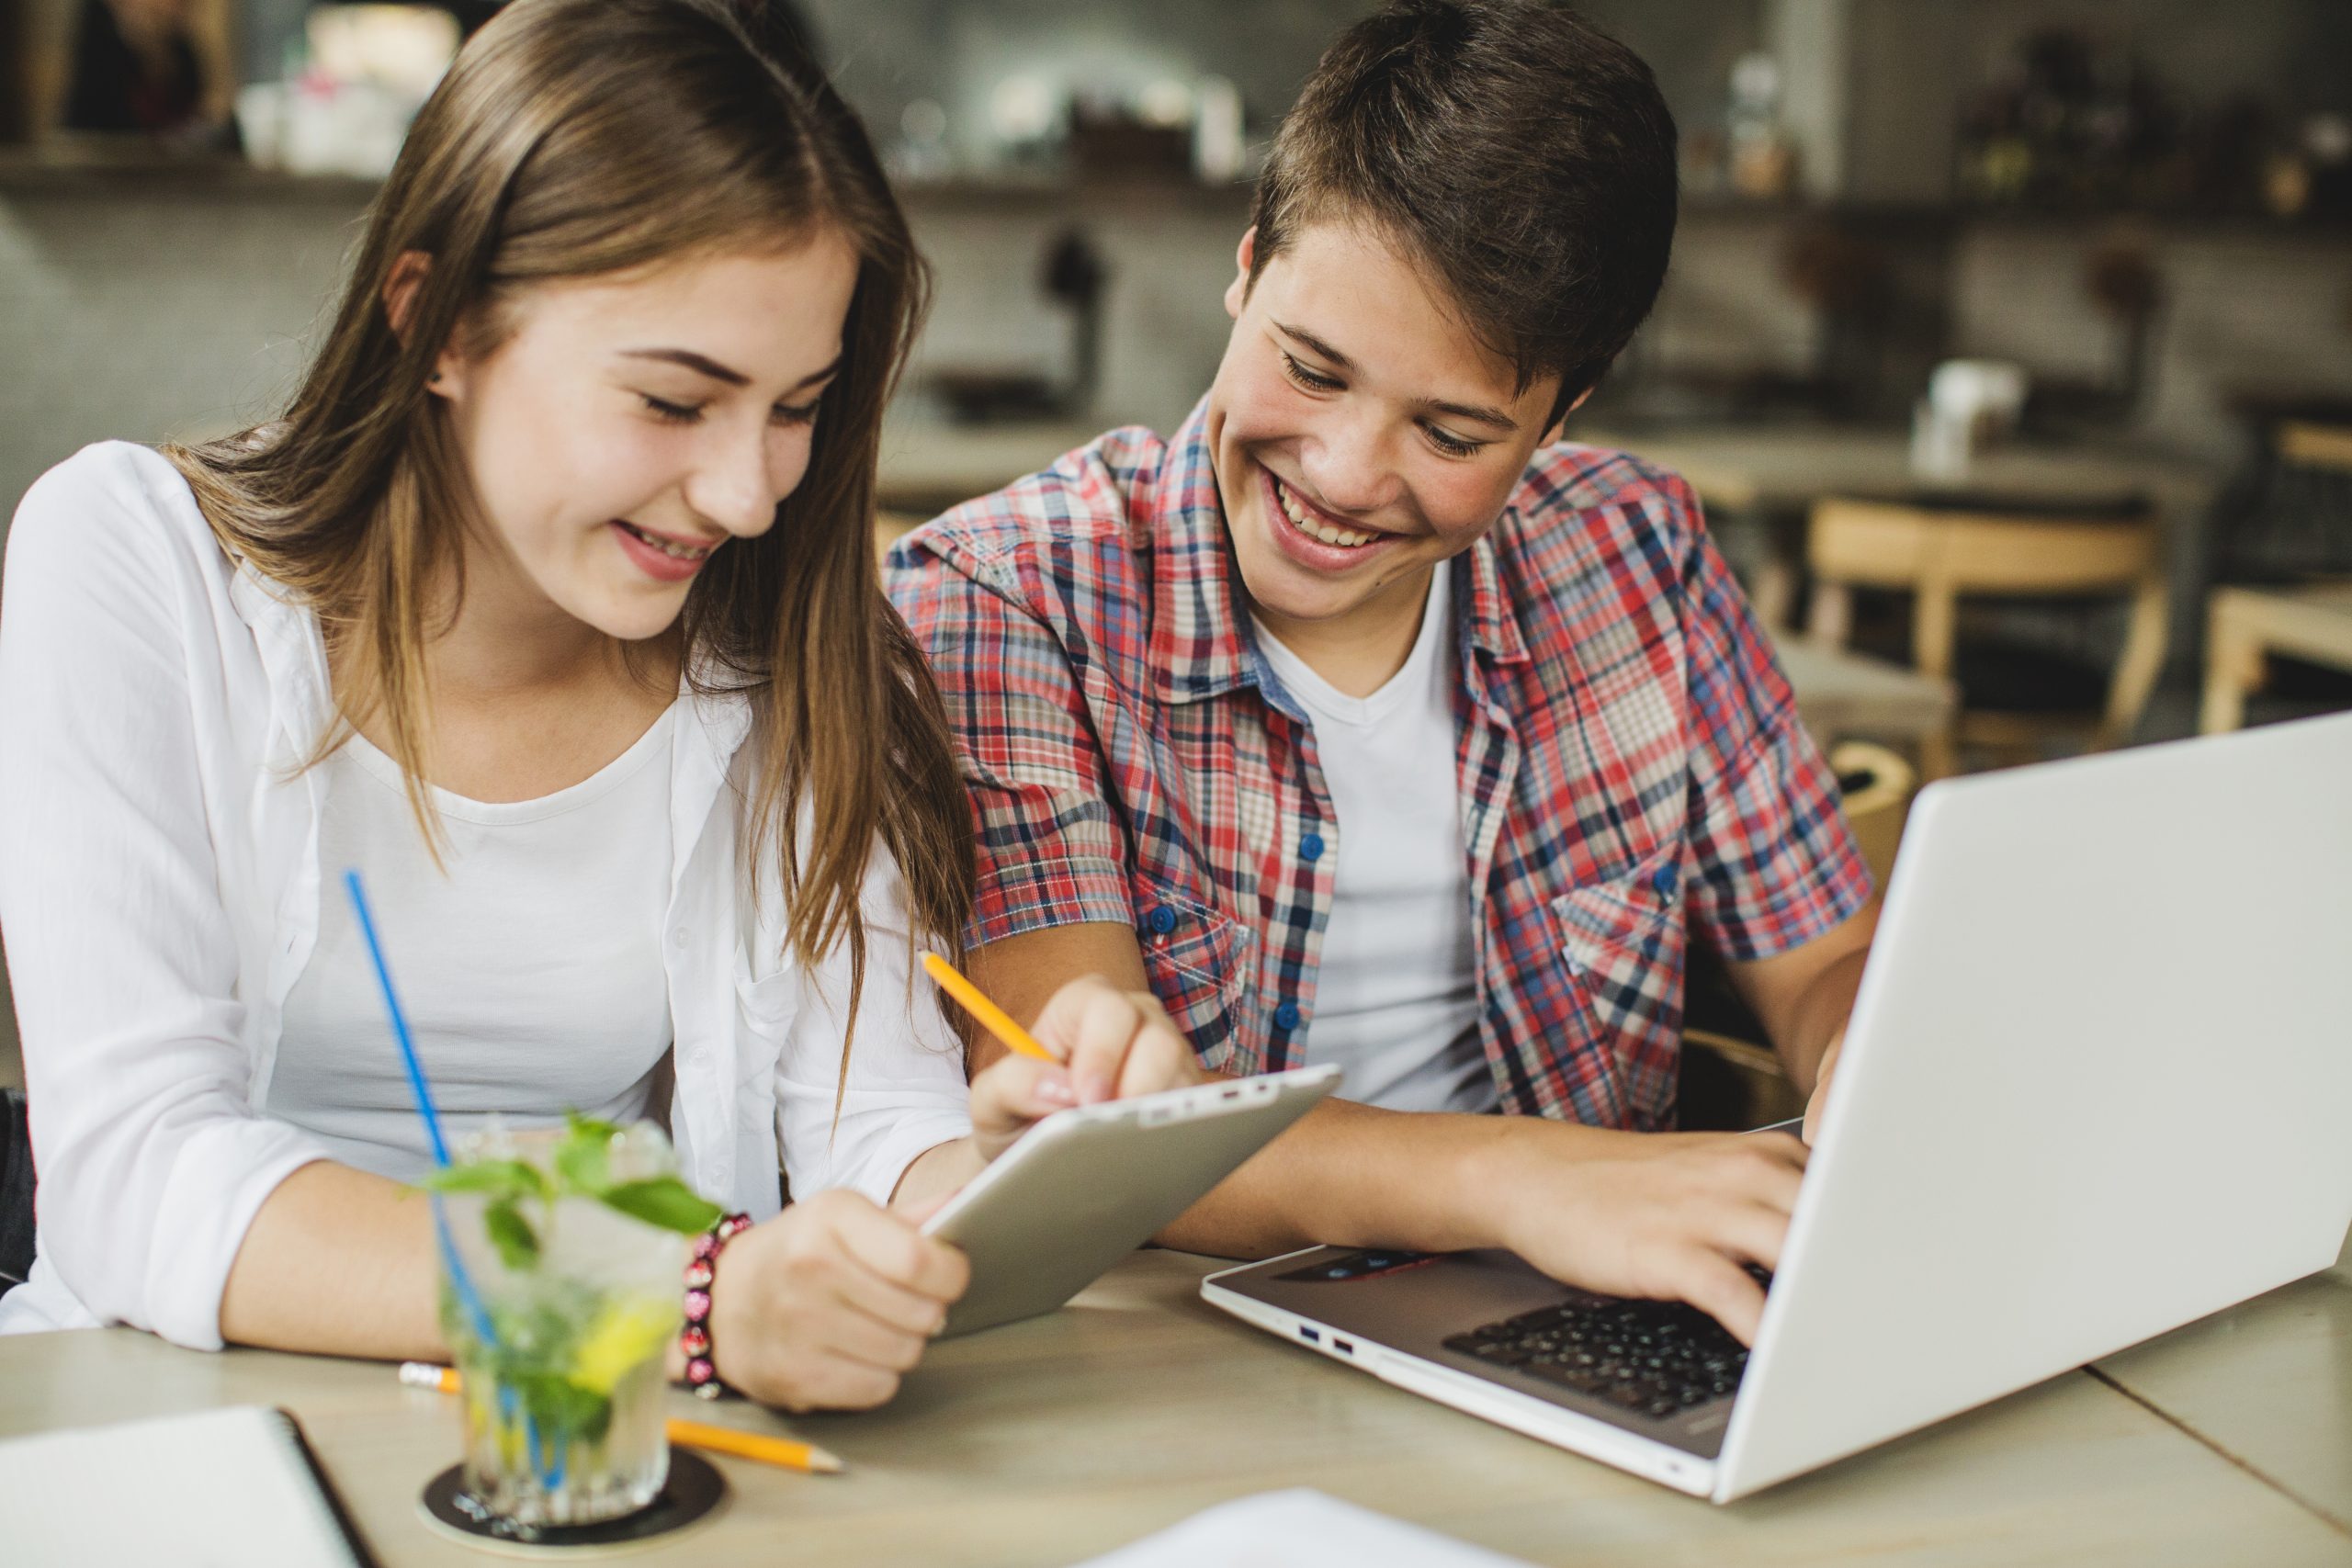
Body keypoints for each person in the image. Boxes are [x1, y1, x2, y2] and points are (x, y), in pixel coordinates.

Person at [0, 0, 1194, 1412]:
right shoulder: (133, 558)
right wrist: (665, 1292)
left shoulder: (788, 659)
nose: (751, 495)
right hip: (180, 1430)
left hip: (607, 1441)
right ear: (434, 321)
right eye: (675, 403)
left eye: (797, 406)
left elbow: (878, 1123)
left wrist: (1024, 1167)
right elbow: (137, 1172)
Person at [886, 0, 1877, 1346]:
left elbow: (1826, 968)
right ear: (1248, 268)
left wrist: (1867, 1077)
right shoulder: (1005, 596)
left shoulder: (1634, 549)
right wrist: (1528, 1180)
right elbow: (1093, 1126)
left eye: (1453, 431)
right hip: (1179, 1347)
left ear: (1563, 412)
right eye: (1309, 368)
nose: (1347, 476)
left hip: (1585, 1311)